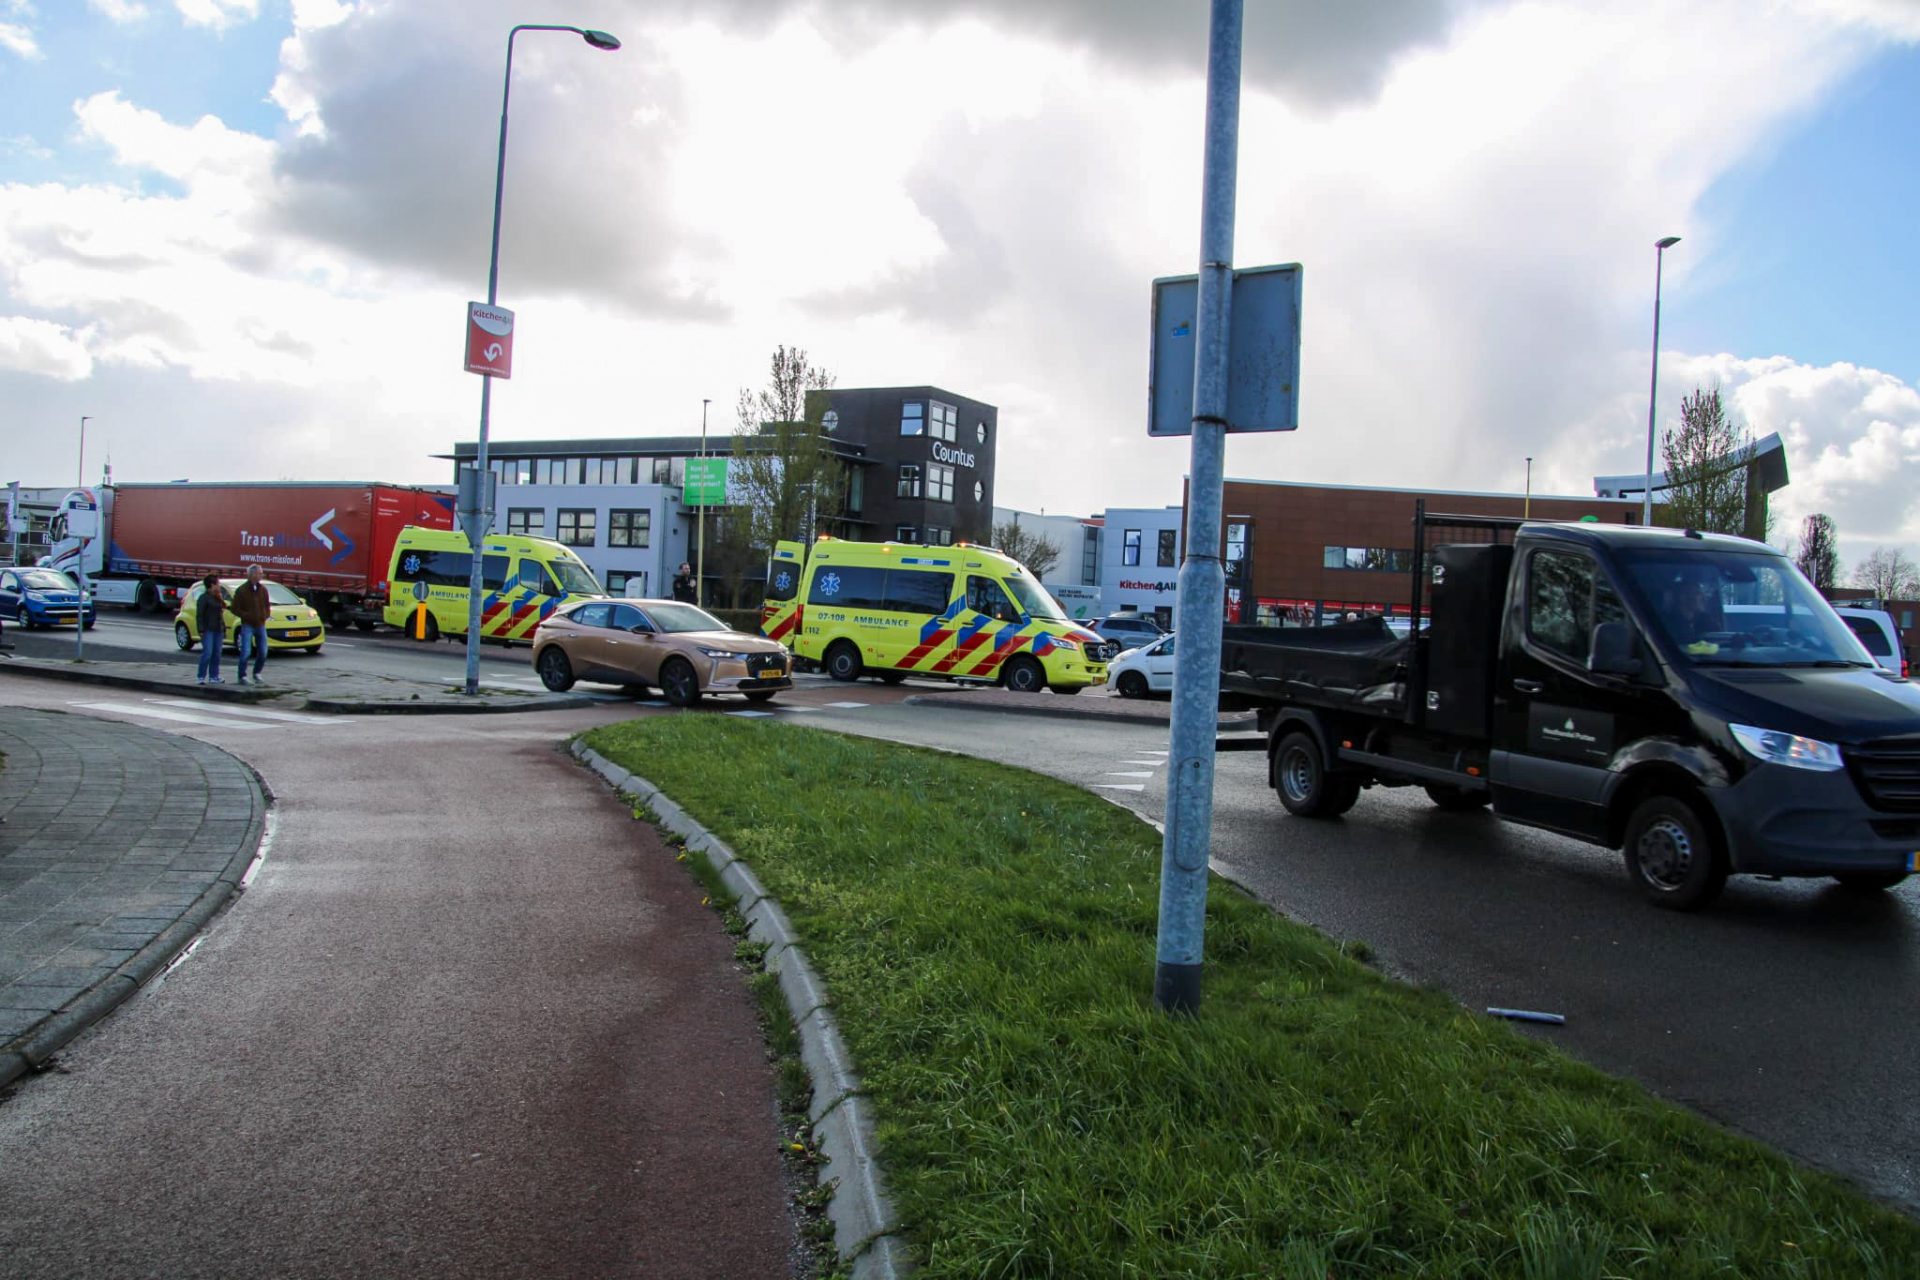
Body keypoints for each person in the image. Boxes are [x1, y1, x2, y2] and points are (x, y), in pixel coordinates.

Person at [229, 564, 271, 684]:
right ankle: (242, 675)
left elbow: (267, 605)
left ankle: (257, 673)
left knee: (263, 651)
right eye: (259, 573)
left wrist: (265, 615)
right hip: (247, 624)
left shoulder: (263, 589)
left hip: (260, 624)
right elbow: (234, 608)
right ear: (252, 574)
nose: (261, 575)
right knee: (246, 651)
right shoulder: (242, 590)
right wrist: (247, 615)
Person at [195, 574, 226, 685]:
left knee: (216, 653)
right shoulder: (204, 598)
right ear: (212, 585)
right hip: (208, 629)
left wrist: (224, 628)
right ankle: (201, 676)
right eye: (218, 583)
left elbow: (221, 613)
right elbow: (199, 615)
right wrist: (201, 630)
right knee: (207, 653)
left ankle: (214, 676)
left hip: (218, 629)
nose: (219, 585)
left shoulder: (217, 597)